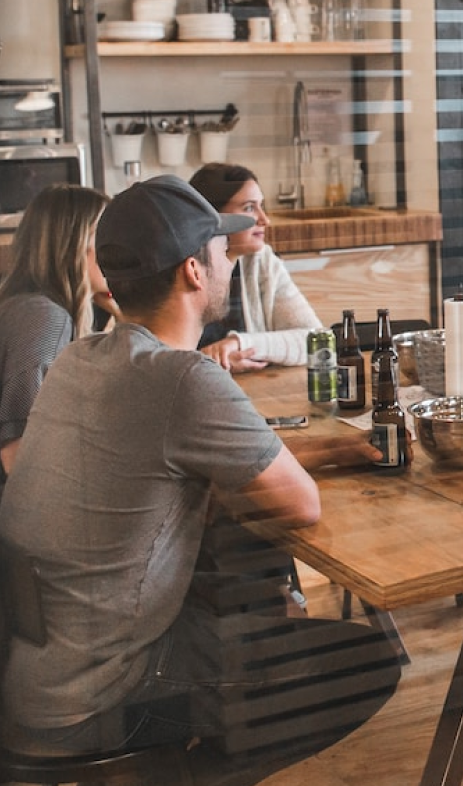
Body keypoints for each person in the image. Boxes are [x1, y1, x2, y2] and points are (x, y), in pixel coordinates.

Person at [0, 175, 400, 780]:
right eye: (220, 248)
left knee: (246, 608)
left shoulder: (82, 358)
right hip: (106, 693)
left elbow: (160, 471)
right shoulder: (184, 378)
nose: (229, 259)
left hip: (42, 673)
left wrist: (330, 452)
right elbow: (300, 505)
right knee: (366, 663)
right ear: (193, 270)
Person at [0, 183, 112, 482]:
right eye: (106, 236)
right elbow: (19, 454)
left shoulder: (30, 306)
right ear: (74, 244)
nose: (118, 249)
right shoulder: (43, 318)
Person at [189, 163, 324, 371]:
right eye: (249, 208)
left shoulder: (262, 262)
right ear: (214, 216)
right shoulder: (182, 269)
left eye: (262, 206)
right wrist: (214, 362)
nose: (265, 220)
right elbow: (160, 359)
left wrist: (239, 344)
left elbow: (315, 339)